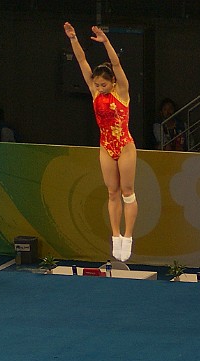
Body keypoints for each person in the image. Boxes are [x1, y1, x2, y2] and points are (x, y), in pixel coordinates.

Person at [63, 21, 137, 262]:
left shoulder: (121, 92)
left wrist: (106, 42)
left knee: (127, 191)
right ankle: (115, 235)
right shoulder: (95, 92)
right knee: (112, 192)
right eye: (96, 85)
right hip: (106, 146)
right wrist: (74, 39)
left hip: (124, 145)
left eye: (104, 84)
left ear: (113, 82)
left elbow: (115, 64)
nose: (100, 88)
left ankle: (128, 235)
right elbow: (83, 63)